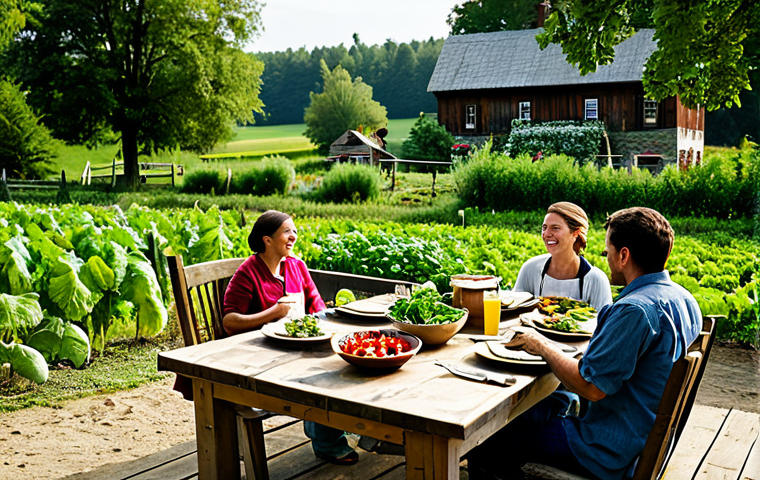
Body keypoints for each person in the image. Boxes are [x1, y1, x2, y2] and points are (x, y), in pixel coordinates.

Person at [468, 207, 703, 480]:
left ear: (624, 255)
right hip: (641, 433)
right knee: (535, 414)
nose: (607, 259)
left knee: (487, 437)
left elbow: (590, 387)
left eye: (607, 252)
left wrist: (541, 346)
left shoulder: (634, 310)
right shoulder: (684, 298)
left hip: (605, 447)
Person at [223, 210, 359, 465]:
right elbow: (230, 322)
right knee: (321, 375)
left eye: (294, 230)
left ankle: (345, 429)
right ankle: (327, 441)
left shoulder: (297, 266)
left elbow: (317, 307)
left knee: (346, 361)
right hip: (262, 356)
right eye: (287, 231)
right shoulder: (248, 272)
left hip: (300, 348)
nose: (293, 236)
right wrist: (273, 312)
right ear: (267, 240)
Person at [514, 202, 612, 310]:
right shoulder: (530, 269)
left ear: (575, 233)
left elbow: (604, 324)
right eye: (544, 227)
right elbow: (514, 312)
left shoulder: (596, 280)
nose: (546, 234)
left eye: (555, 228)